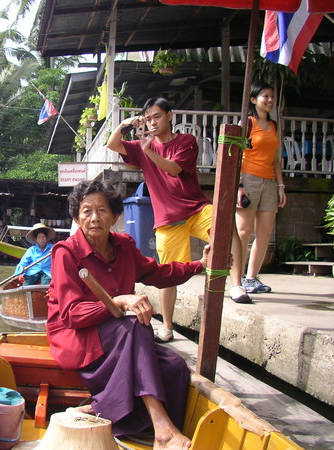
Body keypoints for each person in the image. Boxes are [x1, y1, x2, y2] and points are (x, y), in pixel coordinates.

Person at [47, 180, 209, 449]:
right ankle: (162, 428)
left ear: (115, 216)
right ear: (76, 218)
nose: (94, 218)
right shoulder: (66, 253)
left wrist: (199, 266)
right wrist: (119, 302)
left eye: (102, 210)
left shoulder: (123, 246)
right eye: (86, 212)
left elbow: (158, 273)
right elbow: (72, 315)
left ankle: (104, 413)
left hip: (121, 335)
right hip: (76, 337)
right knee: (135, 324)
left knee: (174, 366)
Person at [106, 97, 222, 341]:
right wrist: (126, 123)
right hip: (167, 220)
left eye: (156, 116)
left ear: (170, 116)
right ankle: (167, 327)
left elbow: (174, 169)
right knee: (169, 275)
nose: (152, 122)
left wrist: (149, 151)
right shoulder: (141, 147)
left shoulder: (186, 141)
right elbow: (112, 144)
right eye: (147, 119)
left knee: (224, 229)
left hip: (196, 208)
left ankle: (237, 282)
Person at [232, 81, 286, 297]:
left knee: (264, 234)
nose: (270, 100)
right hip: (249, 180)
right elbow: (235, 154)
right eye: (265, 96)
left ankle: (252, 277)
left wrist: (281, 186)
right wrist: (238, 185)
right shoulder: (248, 122)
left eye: (272, 96)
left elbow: (275, 160)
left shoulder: (274, 125)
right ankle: (237, 279)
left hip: (270, 181)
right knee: (243, 232)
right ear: (253, 99)